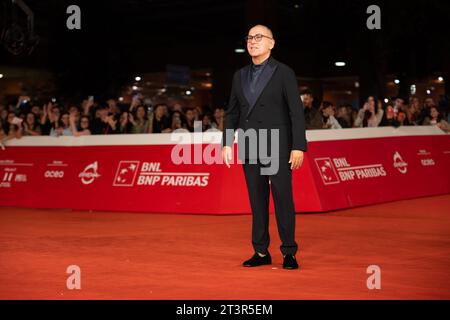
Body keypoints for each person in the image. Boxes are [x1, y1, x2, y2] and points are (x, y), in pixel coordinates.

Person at [222, 24, 307, 270]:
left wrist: (298, 146)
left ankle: (289, 251)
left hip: (278, 145)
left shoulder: (284, 72)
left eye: (259, 37)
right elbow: (232, 112)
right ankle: (260, 252)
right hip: (250, 144)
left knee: (283, 199)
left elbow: (295, 112)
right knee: (257, 201)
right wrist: (228, 142)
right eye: (249, 37)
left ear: (271, 43)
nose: (253, 41)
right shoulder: (239, 75)